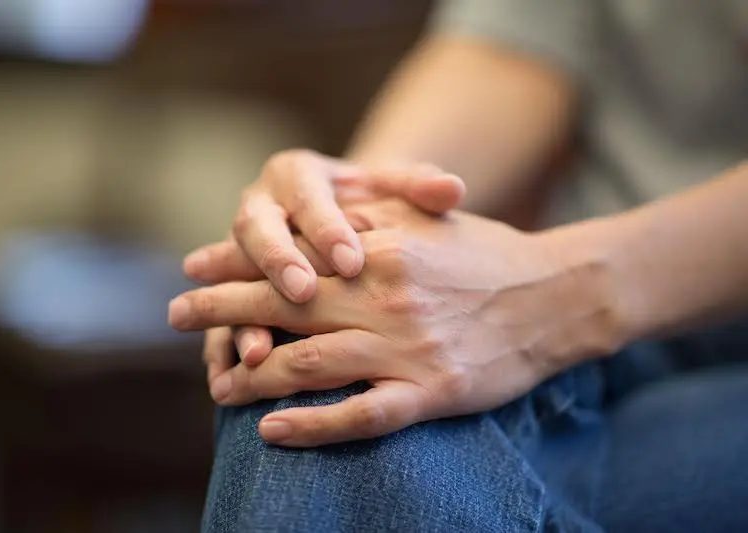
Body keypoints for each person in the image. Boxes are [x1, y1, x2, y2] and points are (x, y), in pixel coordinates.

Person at [170, 1, 748, 531]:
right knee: (337, 333)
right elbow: (513, 45)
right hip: (608, 334)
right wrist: (348, 219)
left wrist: (562, 292)